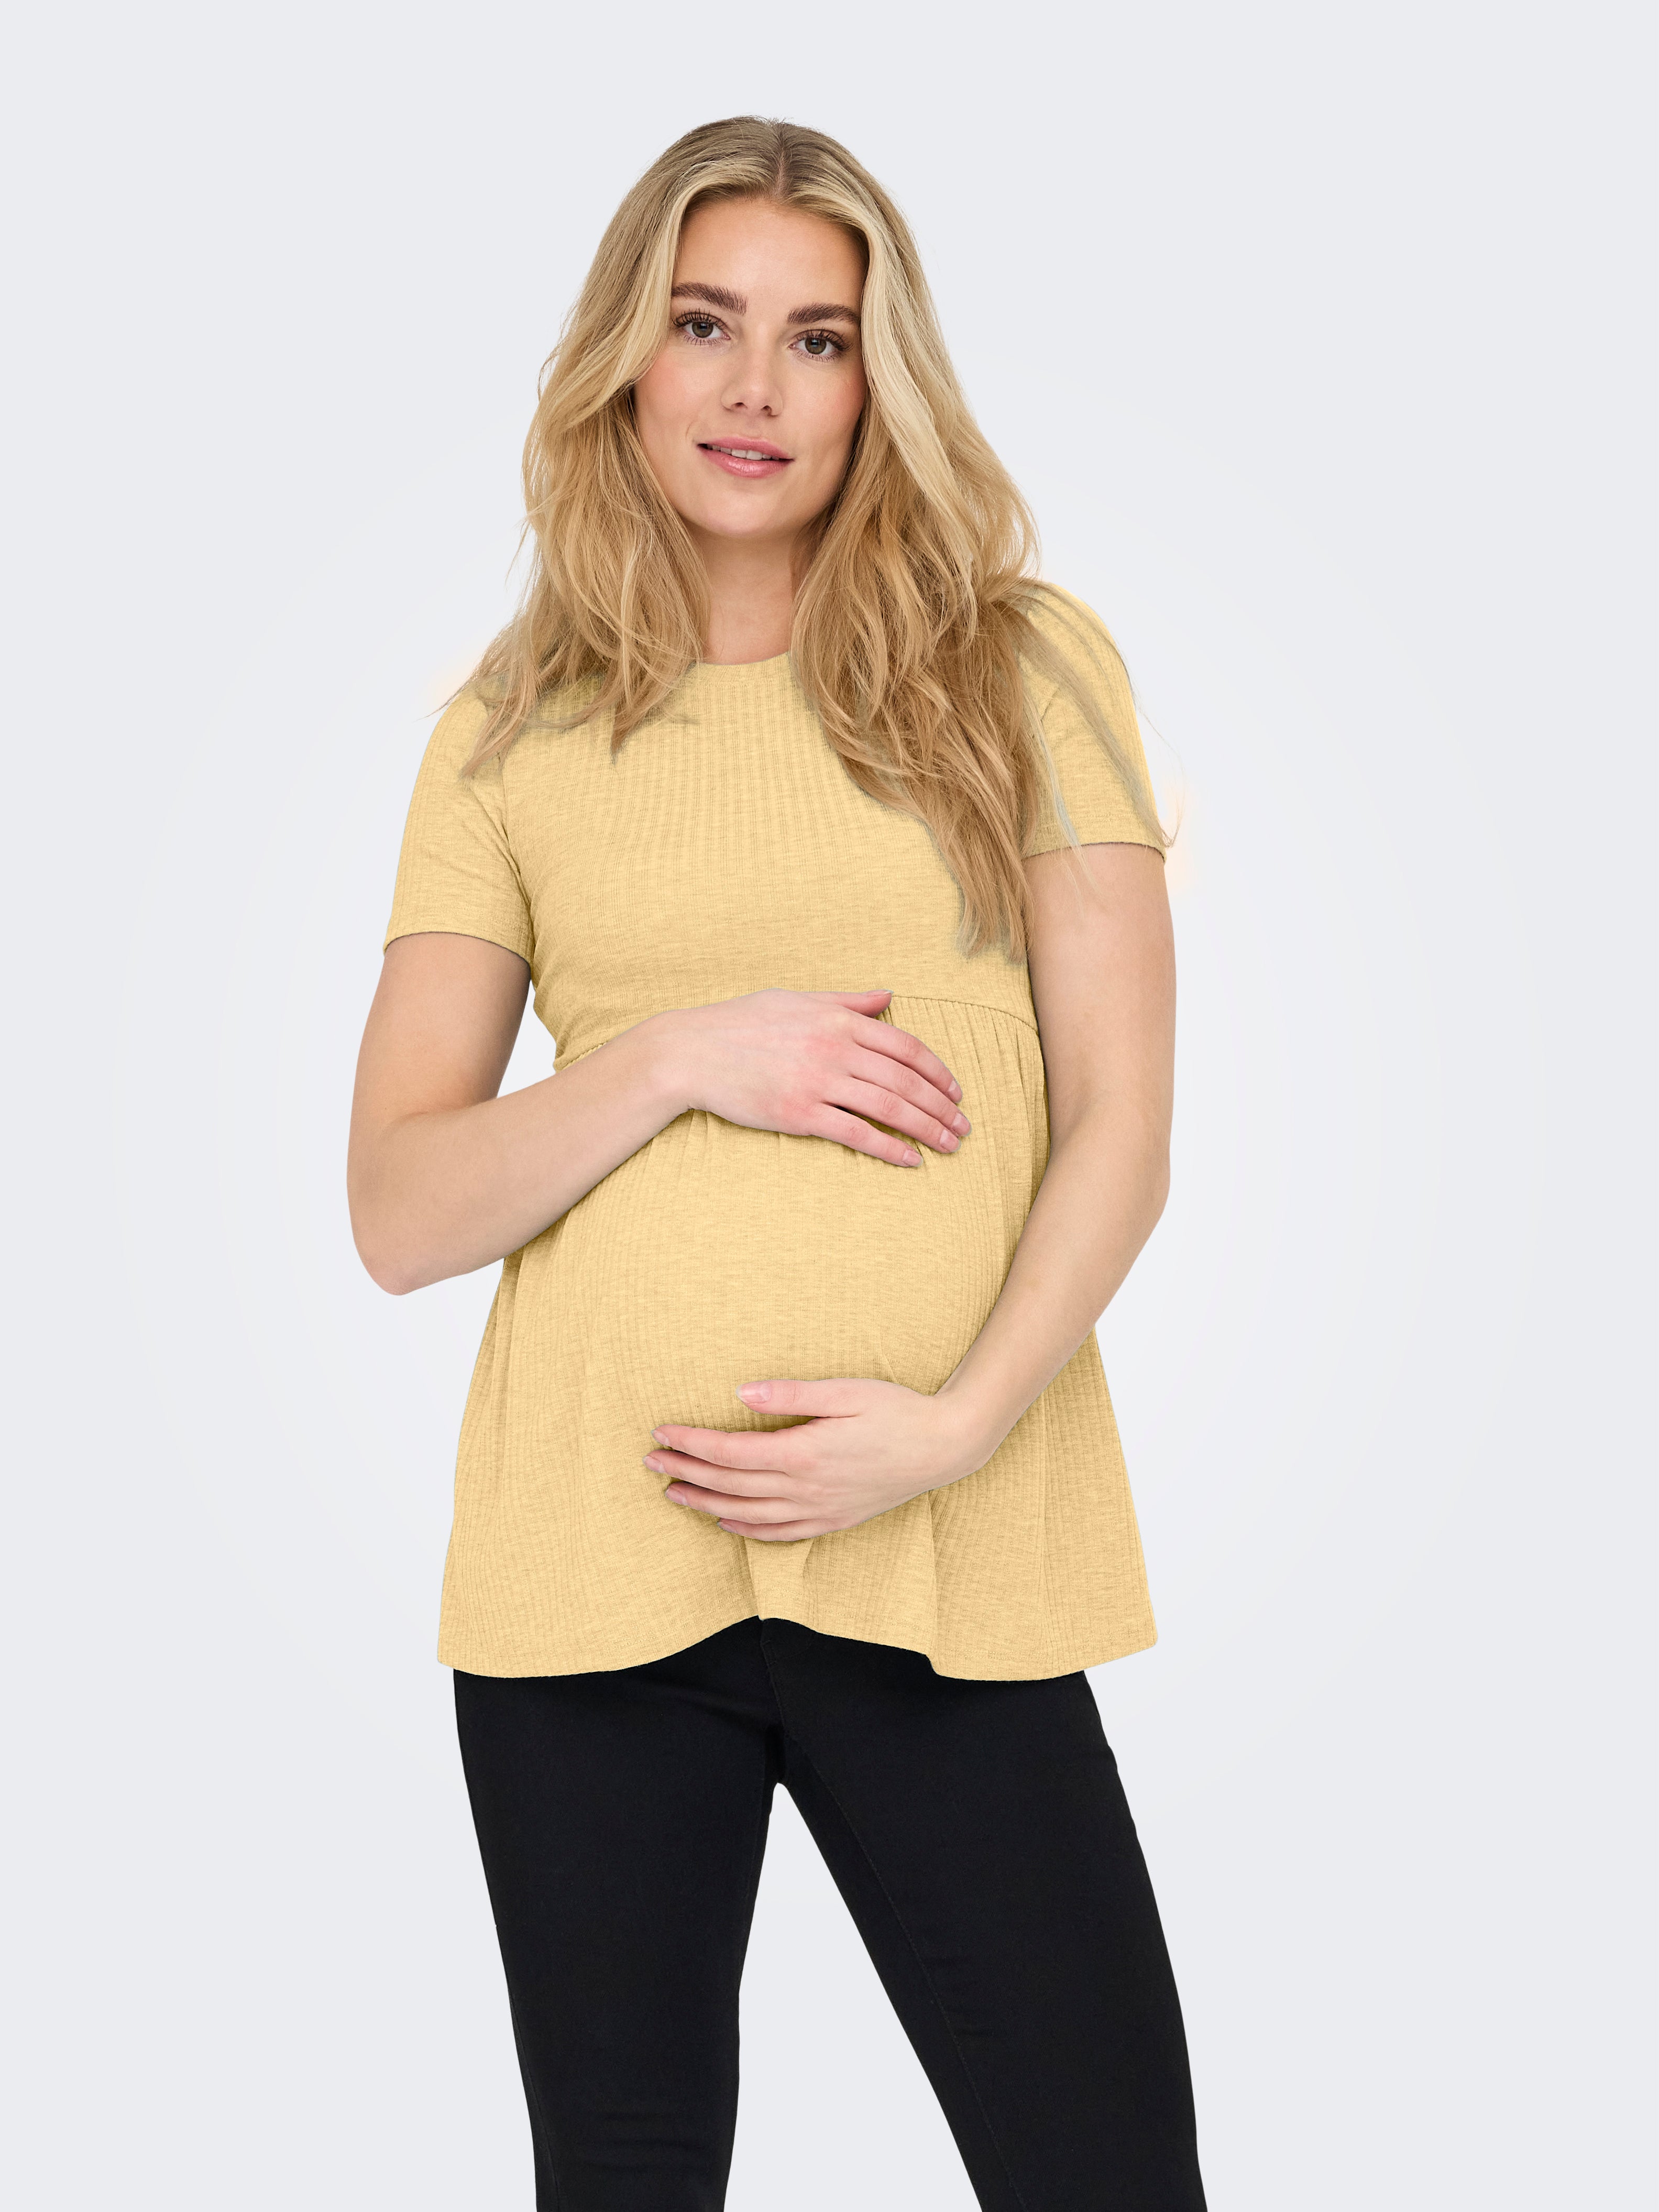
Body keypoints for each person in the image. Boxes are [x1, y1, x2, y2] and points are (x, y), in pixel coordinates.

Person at [348, 114, 1206, 2211]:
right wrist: (677, 1057)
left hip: (943, 1547)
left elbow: (1124, 1125)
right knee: (625, 2178)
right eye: (704, 325)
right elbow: (399, 1207)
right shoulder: (509, 731)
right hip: (588, 1568)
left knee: (1101, 2164)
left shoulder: (1019, 666)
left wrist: (951, 1430)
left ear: (874, 379)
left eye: (817, 339)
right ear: (622, 364)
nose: (755, 389)